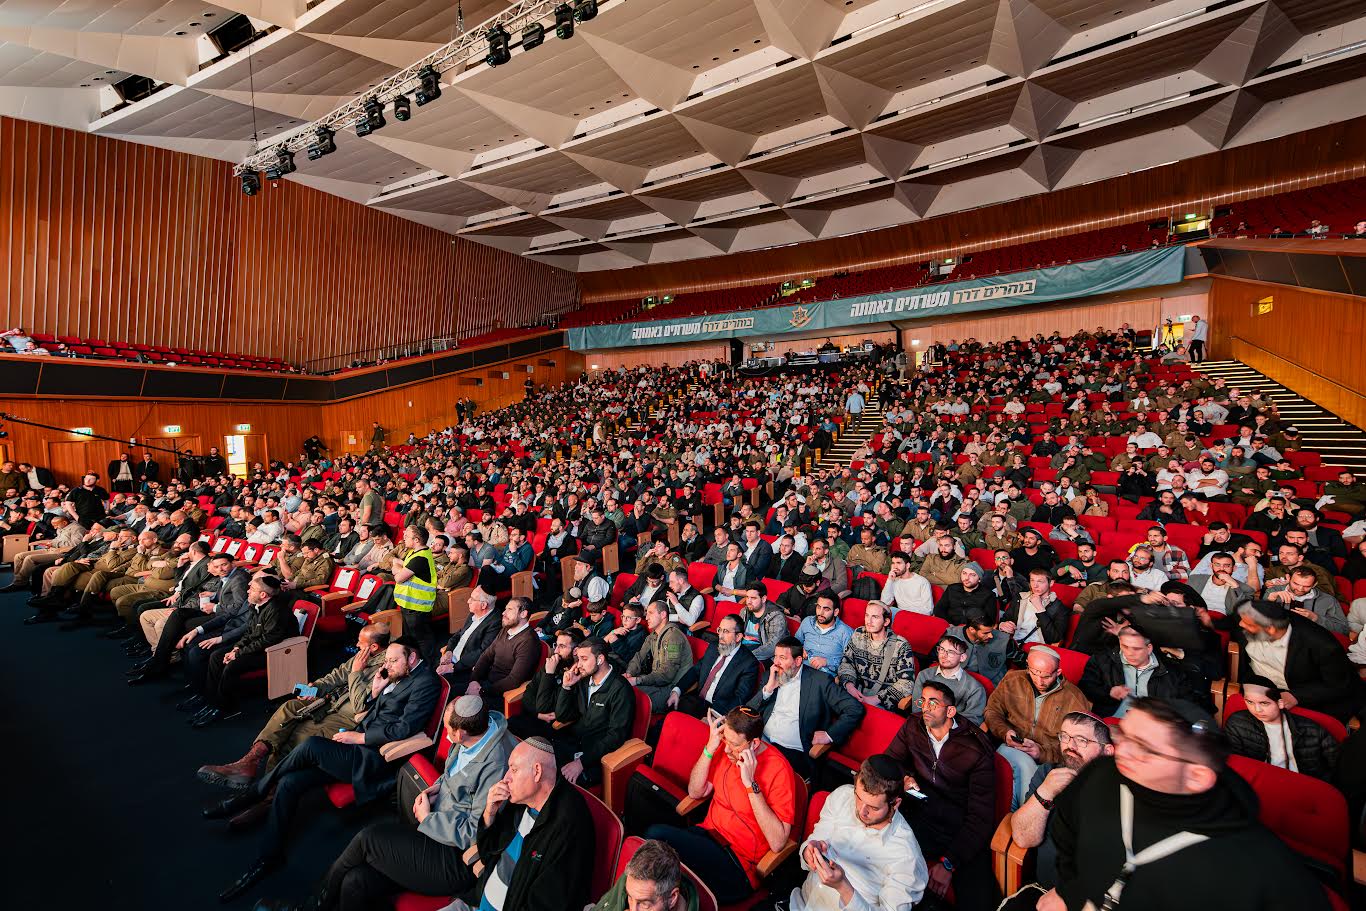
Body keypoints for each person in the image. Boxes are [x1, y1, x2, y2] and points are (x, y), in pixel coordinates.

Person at [208, 637, 443, 902]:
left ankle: (253, 793)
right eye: (386, 659)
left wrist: (359, 738)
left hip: (375, 759)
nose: (387, 665)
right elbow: (372, 709)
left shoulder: (426, 682)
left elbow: (404, 729)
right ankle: (269, 857)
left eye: (393, 660)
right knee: (289, 784)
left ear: (412, 658)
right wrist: (375, 692)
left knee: (311, 746)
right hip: (358, 745)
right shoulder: (398, 673)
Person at [1038, 698, 1330, 911]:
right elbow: (1067, 836)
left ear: (1196, 776)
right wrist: (1070, 892)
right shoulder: (1101, 774)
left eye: (1142, 747)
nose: (1121, 751)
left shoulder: (1263, 872)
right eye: (1123, 734)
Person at [255, 695, 517, 911]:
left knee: (367, 838)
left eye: (449, 731)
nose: (446, 737)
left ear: (461, 733)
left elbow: (473, 832)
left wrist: (428, 817)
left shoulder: (495, 765)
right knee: (355, 882)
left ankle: (309, 908)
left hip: (454, 859)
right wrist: (435, 789)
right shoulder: (476, 730)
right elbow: (452, 776)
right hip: (434, 831)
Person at [197, 623, 391, 787]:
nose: (356, 644)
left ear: (373, 647)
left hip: (346, 717)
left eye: (360, 642)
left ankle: (266, 790)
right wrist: (315, 687)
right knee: (289, 708)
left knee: (294, 734)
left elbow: (361, 704)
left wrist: (356, 672)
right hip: (329, 702)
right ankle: (249, 763)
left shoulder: (386, 669)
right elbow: (337, 675)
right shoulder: (363, 657)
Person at [644, 707, 798, 905]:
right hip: (707, 836)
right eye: (725, 740)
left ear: (755, 743)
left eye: (733, 744)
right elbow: (695, 792)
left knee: (661, 860)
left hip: (738, 864)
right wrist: (710, 747)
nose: (726, 750)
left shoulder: (779, 770)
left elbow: (778, 842)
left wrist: (750, 784)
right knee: (653, 845)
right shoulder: (726, 750)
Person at [884, 682, 999, 911]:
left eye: (933, 703)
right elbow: (890, 761)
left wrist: (949, 863)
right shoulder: (913, 725)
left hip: (957, 824)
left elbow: (981, 817)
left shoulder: (976, 749)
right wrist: (906, 776)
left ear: (950, 711)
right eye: (923, 701)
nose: (925, 708)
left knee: (981, 900)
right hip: (919, 811)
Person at [791, 755, 927, 911]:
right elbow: (815, 839)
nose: (862, 812)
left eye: (874, 808)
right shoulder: (842, 796)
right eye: (858, 797)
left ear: (895, 804)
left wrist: (843, 887)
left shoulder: (907, 856)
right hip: (801, 902)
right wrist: (809, 851)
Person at [1004, 712, 1114, 900]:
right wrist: (1045, 792)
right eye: (1065, 737)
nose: (1070, 747)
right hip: (1043, 890)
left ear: (1107, 751)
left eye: (1081, 740)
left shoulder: (1118, 788)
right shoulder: (1048, 773)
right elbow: (1023, 839)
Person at [985, 646, 1092, 808]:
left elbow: (1077, 746)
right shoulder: (1012, 680)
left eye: (1046, 676)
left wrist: (1041, 752)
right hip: (1010, 746)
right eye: (1034, 672)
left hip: (1050, 761)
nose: (1039, 681)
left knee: (1020, 775)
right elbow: (992, 712)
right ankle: (1023, 813)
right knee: (1019, 765)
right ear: (1027, 665)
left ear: (1058, 672)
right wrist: (1005, 732)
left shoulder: (1075, 698)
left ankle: (1017, 816)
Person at [1220, 599, 1359, 721]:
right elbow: (1231, 621)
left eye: (1248, 625)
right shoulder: (1251, 617)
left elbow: (1338, 685)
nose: (1241, 625)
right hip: (1258, 687)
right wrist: (1206, 620)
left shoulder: (1323, 645)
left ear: (1270, 630)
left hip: (1303, 694)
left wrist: (1296, 696)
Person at [749, 636, 864, 779]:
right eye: (775, 657)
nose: (776, 663)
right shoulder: (770, 675)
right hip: (761, 740)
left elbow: (854, 708)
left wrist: (829, 735)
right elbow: (749, 712)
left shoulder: (820, 681)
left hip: (792, 751)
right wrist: (767, 690)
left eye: (783, 658)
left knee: (760, 778)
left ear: (797, 661)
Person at [191, 574, 295, 727]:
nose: (247, 591)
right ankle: (212, 699)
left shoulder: (277, 611)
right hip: (259, 646)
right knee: (216, 656)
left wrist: (237, 653)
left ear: (263, 594)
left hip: (275, 651)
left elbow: (268, 640)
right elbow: (250, 632)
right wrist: (237, 647)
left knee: (232, 665)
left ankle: (224, 707)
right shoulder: (256, 605)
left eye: (251, 588)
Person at [550, 637, 635, 786]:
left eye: (584, 659)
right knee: (540, 766)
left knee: (557, 785)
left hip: (596, 756)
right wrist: (566, 687)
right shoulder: (584, 680)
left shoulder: (621, 690)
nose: (579, 664)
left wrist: (581, 762)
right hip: (574, 743)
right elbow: (563, 716)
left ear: (600, 659)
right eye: (579, 659)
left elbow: (616, 736)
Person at [1222, 675, 1340, 779]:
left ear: (1280, 703)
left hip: (1302, 787)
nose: (1256, 710)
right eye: (1250, 702)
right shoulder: (1237, 723)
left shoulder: (1312, 729)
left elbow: (1337, 764)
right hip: (1260, 784)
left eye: (1264, 703)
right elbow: (1234, 764)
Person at [1079, 626, 1202, 717]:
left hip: (1151, 728)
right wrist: (1109, 693)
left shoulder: (1172, 672)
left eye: (1136, 649)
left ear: (1149, 649)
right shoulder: (1103, 660)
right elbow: (1085, 687)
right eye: (1124, 646)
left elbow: (1187, 705)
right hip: (1109, 722)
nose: (1129, 653)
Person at [668, 613, 760, 717]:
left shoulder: (749, 663)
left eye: (725, 631)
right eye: (719, 630)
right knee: (670, 712)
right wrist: (677, 690)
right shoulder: (713, 647)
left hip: (718, 712)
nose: (720, 636)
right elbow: (695, 671)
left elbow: (740, 698)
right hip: (697, 701)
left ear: (738, 636)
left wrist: (714, 717)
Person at [835, 600, 918, 710]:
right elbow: (847, 662)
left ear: (886, 622)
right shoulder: (858, 634)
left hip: (881, 703)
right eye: (867, 615)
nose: (869, 621)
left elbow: (907, 683)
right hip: (855, 695)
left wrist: (876, 699)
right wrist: (849, 685)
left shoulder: (901, 645)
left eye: (875, 617)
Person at [466, 596, 540, 712]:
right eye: (505, 609)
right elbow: (487, 656)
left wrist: (482, 691)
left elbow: (513, 680)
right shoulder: (506, 629)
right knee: (450, 690)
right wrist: (473, 680)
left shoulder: (529, 642)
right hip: (485, 683)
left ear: (523, 614)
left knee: (461, 707)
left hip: (500, 695)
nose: (503, 613)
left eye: (509, 610)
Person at [592, 838, 701, 911]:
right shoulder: (632, 881)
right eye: (629, 897)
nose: (632, 909)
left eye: (644, 904)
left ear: (672, 898)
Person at [625, 599, 694, 712]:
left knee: (627, 697)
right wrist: (629, 673)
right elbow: (639, 656)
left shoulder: (673, 637)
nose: (646, 617)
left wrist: (637, 680)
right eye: (646, 613)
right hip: (657, 682)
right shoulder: (653, 635)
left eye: (650, 613)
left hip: (670, 689)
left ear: (663, 615)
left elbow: (667, 675)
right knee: (621, 689)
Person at [910, 634, 988, 725]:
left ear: (962, 657)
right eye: (942, 649)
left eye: (951, 652)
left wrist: (943, 727)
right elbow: (917, 707)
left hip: (954, 732)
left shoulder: (975, 688)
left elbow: (972, 720)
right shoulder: (924, 675)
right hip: (922, 725)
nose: (944, 655)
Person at [436, 586, 501, 692]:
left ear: (483, 605)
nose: (468, 601)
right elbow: (458, 634)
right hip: (451, 660)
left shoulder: (495, 623)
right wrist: (449, 651)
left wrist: (453, 667)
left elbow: (482, 652)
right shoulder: (474, 613)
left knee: (436, 689)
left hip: (465, 669)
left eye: (472, 599)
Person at [391, 525, 439, 664]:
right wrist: (399, 568)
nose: (403, 538)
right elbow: (401, 567)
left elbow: (398, 577)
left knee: (421, 639)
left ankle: (428, 665)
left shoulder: (421, 557)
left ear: (417, 540)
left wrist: (397, 568)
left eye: (406, 536)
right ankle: (414, 662)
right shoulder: (415, 552)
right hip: (409, 604)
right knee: (411, 637)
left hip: (418, 607)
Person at [794, 593, 854, 675]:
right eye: (818, 607)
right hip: (800, 669)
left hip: (825, 676)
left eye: (826, 609)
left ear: (836, 612)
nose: (820, 613)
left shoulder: (846, 632)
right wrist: (799, 649)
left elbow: (850, 663)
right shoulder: (807, 622)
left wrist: (827, 662)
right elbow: (794, 643)